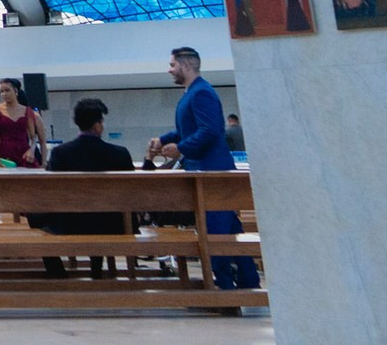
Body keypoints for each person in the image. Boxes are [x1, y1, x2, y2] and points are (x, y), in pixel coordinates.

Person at [150, 46, 255, 291]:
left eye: (172, 65)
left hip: (212, 173)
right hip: (207, 171)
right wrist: (164, 140)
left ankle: (225, 289)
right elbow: (187, 130)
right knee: (229, 230)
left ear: (186, 65)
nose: (169, 70)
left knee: (215, 233)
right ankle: (248, 282)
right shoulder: (192, 93)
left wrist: (180, 148)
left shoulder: (202, 93)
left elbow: (210, 131)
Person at [35, 98, 136, 277]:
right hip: (113, 224)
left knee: (37, 220)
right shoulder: (120, 154)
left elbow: (50, 191)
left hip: (70, 224)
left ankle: (58, 274)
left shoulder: (60, 153)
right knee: (97, 216)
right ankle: (96, 270)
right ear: (97, 126)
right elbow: (132, 191)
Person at [0, 78, 46, 168]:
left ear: (15, 91)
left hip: (24, 152)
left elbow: (33, 138)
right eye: (1, 91)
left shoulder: (27, 111)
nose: (4, 94)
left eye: (7, 90)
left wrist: (32, 150)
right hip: (5, 152)